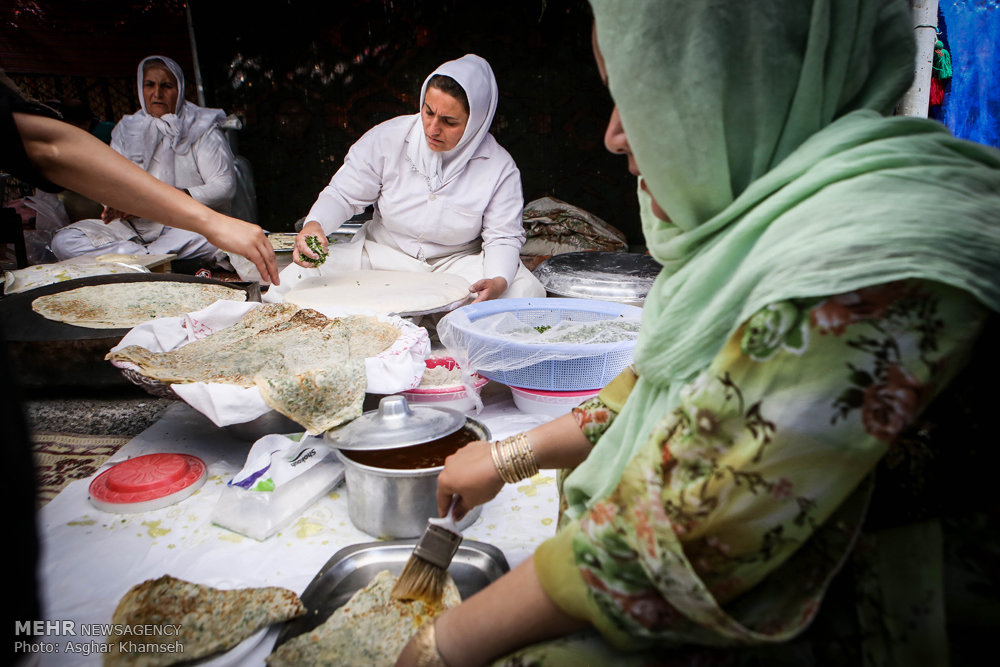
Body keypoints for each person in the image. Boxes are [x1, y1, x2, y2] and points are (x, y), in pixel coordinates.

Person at [397, 1, 1000, 665]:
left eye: (641, 98)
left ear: (748, 82)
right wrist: (510, 457)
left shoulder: (871, 256)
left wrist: (439, 645)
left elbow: (671, 544)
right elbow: (658, 389)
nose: (613, 137)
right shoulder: (761, 226)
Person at [294, 54, 545, 303]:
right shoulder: (387, 138)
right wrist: (315, 224)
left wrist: (497, 280)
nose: (432, 128)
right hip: (381, 258)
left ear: (476, 124)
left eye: (449, 122)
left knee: (523, 292)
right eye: (428, 111)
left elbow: (502, 236)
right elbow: (343, 195)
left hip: (456, 267)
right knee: (295, 280)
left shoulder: (499, 167)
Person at [50, 55, 240, 269]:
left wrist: (160, 202)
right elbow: (109, 181)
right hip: (131, 231)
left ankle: (138, 263)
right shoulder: (126, 128)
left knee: (219, 239)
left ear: (180, 89)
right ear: (140, 89)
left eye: (166, 85)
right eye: (150, 84)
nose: (157, 93)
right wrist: (116, 204)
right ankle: (152, 259)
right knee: (65, 241)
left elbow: (224, 187)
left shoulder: (202, 127)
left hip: (184, 226)